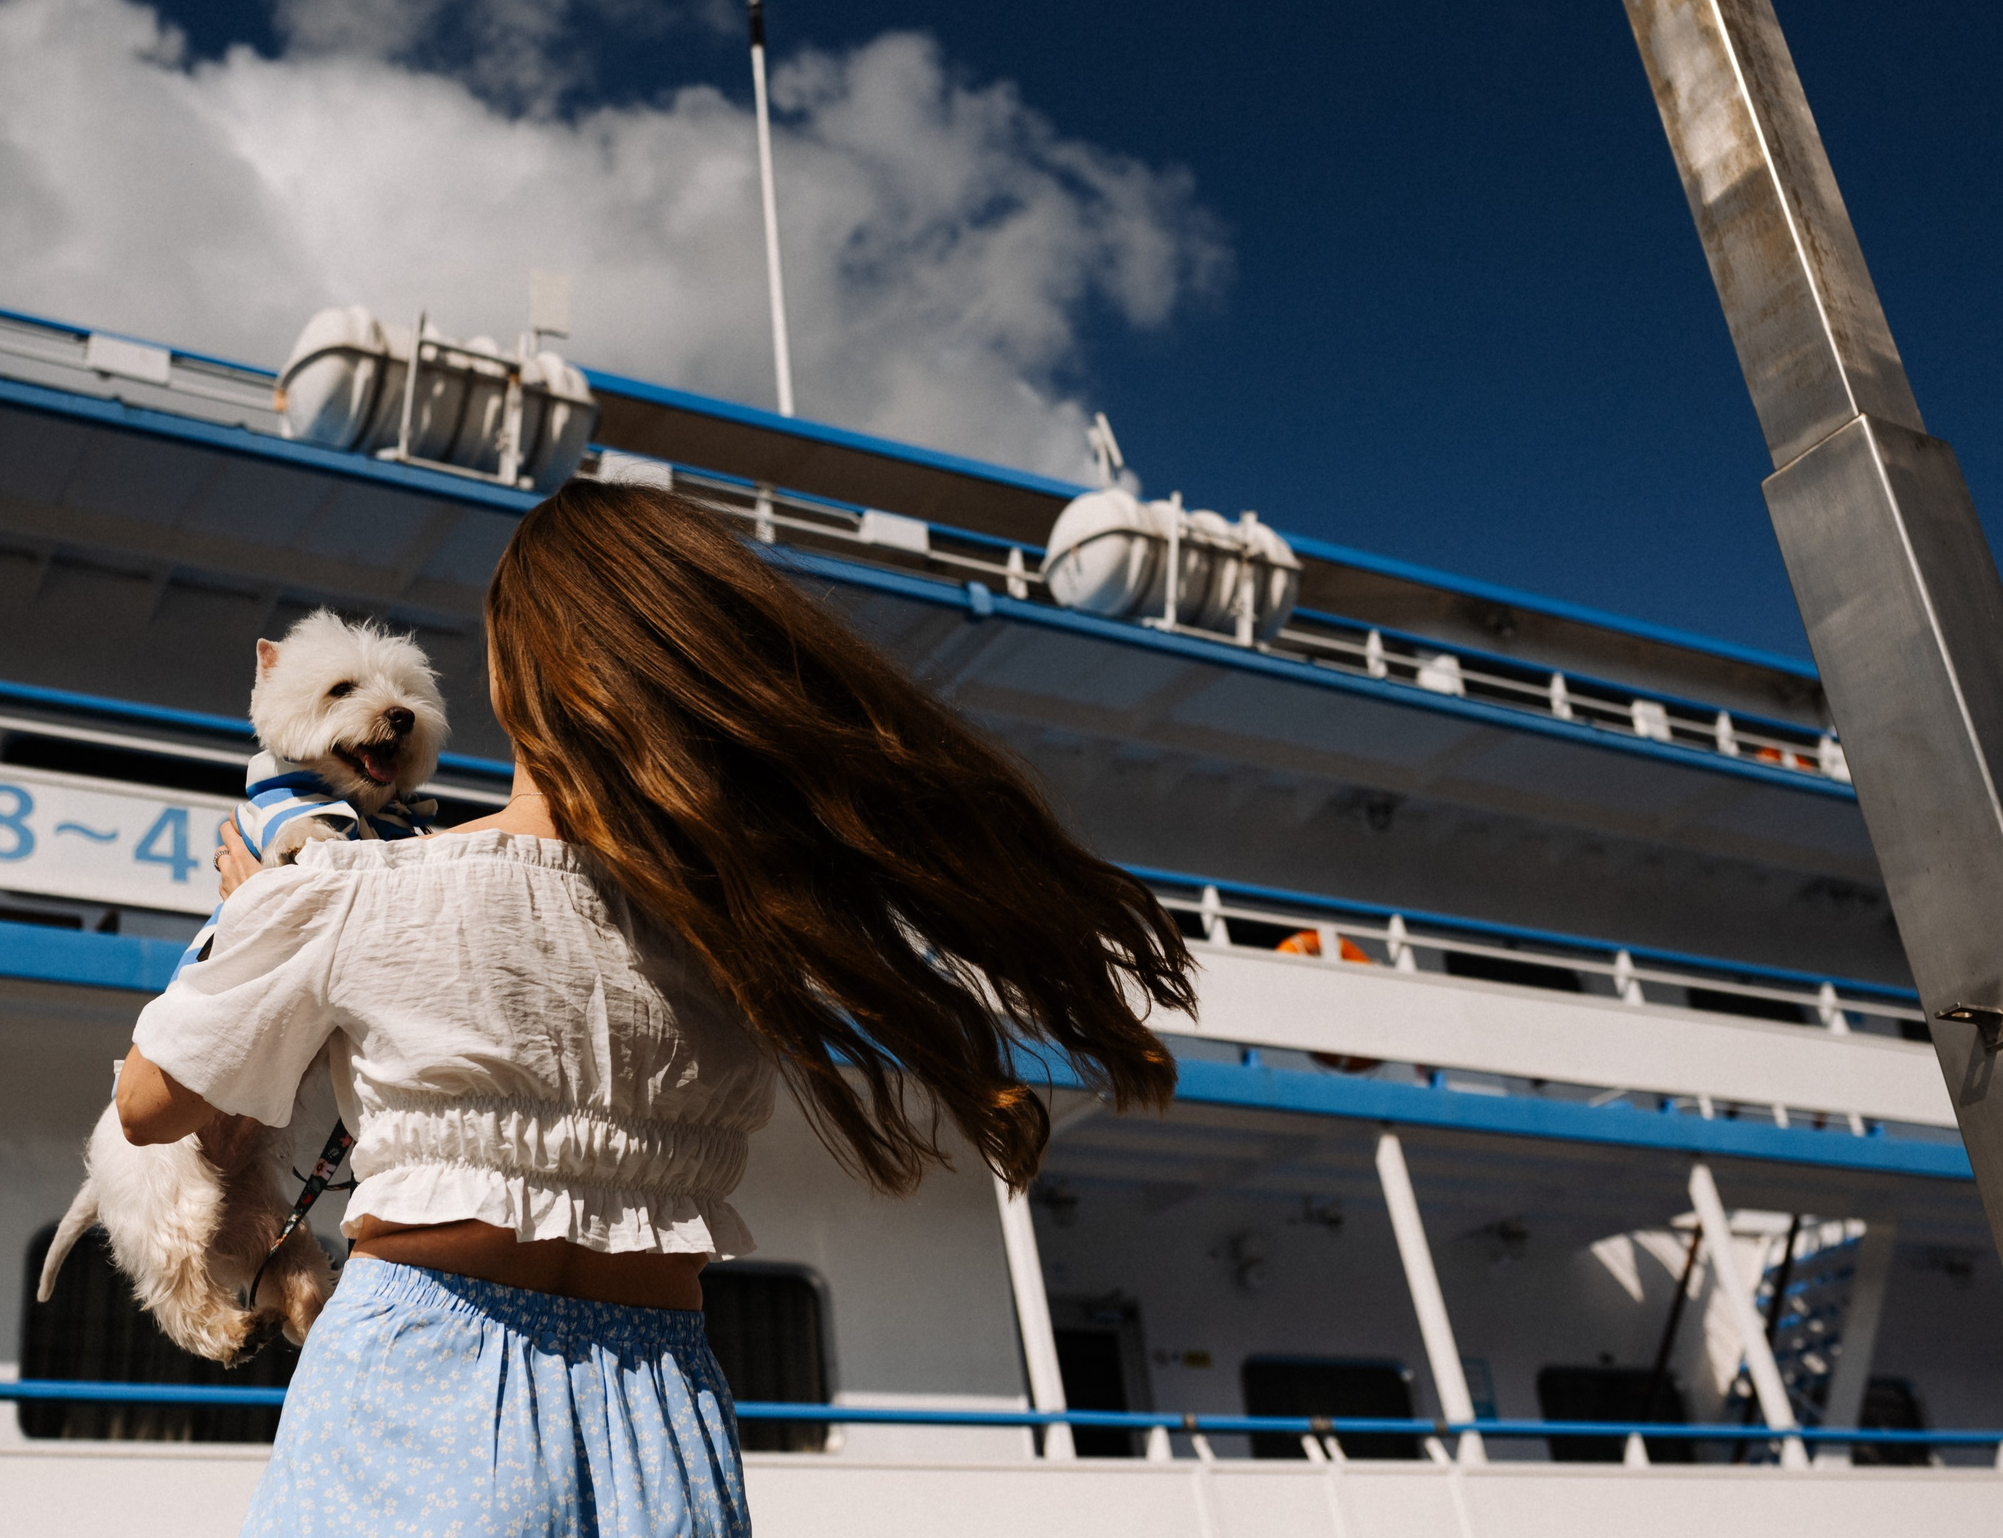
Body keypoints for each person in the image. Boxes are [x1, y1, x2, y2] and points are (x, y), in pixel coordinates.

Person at [113, 479, 1198, 1536]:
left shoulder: (350, 891)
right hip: (662, 1402)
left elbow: (151, 1106)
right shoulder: (735, 931)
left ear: (510, 679)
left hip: (421, 1377)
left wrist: (246, 924)